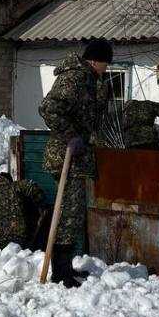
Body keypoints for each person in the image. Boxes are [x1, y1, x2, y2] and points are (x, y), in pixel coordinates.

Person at [38, 38, 112, 285]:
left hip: (79, 159)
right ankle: (60, 273)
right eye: (105, 64)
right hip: (66, 156)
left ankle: (65, 268)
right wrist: (70, 135)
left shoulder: (91, 81)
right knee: (68, 214)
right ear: (95, 61)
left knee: (73, 215)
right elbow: (48, 108)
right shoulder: (75, 78)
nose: (106, 69)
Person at [0, 172, 47, 253]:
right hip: (14, 239)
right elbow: (30, 186)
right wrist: (41, 203)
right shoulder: (14, 187)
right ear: (9, 181)